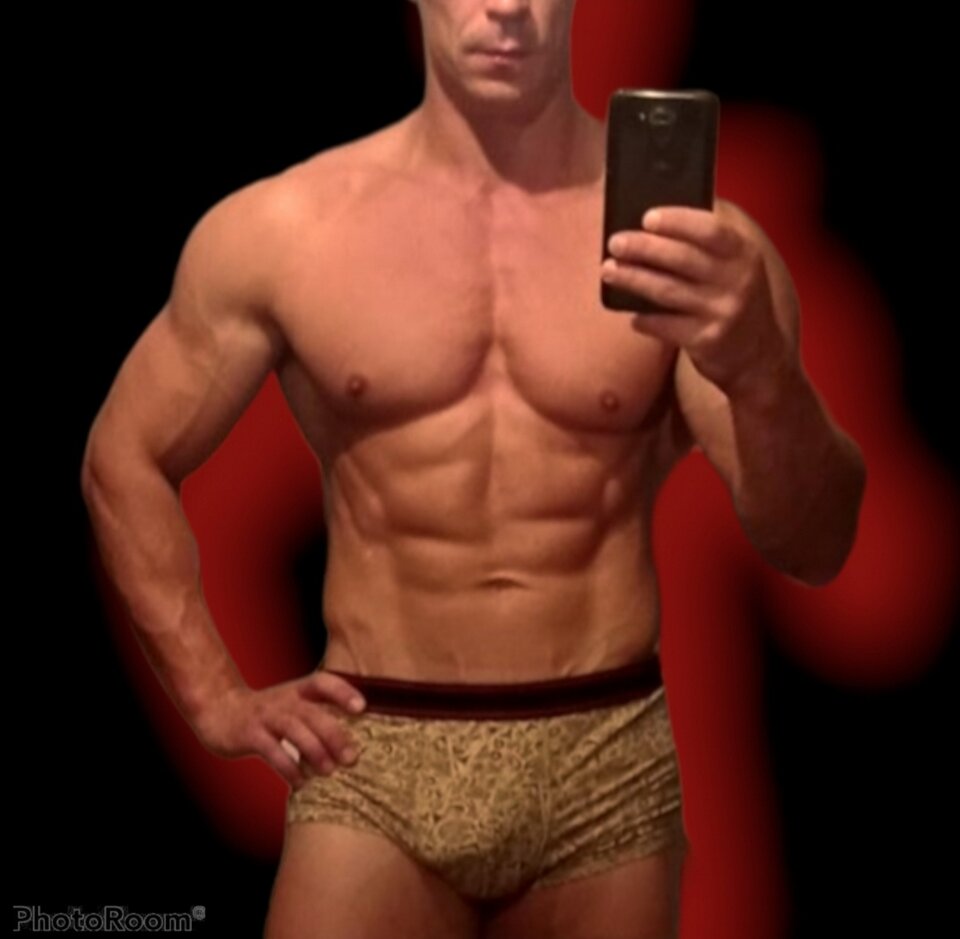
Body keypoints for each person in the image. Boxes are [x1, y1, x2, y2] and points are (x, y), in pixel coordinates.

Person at [80, 1, 866, 936]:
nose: (506, 7)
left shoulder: (693, 250)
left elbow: (814, 545)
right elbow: (123, 457)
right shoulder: (286, 229)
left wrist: (763, 370)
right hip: (374, 758)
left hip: (603, 756)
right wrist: (213, 697)